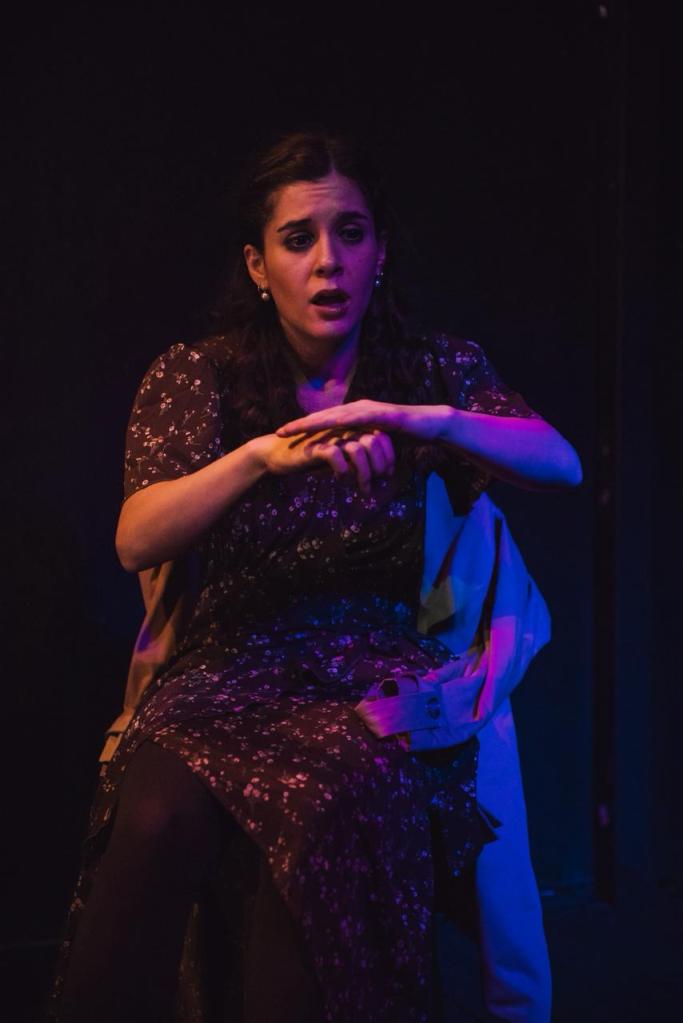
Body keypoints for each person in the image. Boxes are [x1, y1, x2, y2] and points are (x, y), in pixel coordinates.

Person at [50, 130, 582, 1023]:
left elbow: (560, 465)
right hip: (228, 668)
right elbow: (135, 539)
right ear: (258, 266)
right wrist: (260, 456)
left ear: (381, 251)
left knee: (322, 822)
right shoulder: (201, 375)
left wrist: (423, 420)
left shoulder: (430, 369)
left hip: (371, 677)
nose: (328, 260)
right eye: (299, 239)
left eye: (351, 232)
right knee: (151, 818)